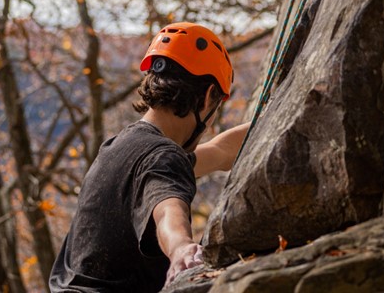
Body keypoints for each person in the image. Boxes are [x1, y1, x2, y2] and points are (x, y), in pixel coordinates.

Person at [49, 22, 250, 293]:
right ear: (206, 98)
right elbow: (167, 207)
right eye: (216, 106)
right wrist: (180, 247)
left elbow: (219, 152)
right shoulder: (162, 158)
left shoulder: (119, 148)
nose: (212, 120)